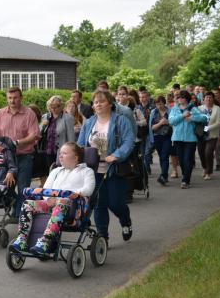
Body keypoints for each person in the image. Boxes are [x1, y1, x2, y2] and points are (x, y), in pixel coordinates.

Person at [10, 143, 95, 255]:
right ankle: (22, 238)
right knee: (28, 203)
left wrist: (73, 195)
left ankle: (45, 241)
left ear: (75, 157)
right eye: (60, 153)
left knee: (63, 201)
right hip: (51, 203)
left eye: (64, 153)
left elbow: (89, 189)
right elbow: (46, 189)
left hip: (72, 208)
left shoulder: (86, 171)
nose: (60, 156)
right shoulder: (56, 171)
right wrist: (49, 198)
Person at [78, 90, 135, 242]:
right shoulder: (89, 122)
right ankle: (102, 237)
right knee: (98, 203)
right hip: (93, 170)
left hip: (113, 169)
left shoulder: (121, 121)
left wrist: (116, 155)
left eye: (101, 101)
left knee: (115, 203)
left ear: (110, 103)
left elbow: (129, 141)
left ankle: (125, 220)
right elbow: (81, 144)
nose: (98, 104)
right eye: (95, 102)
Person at [0, 87, 40, 217]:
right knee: (6, 188)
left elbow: (34, 135)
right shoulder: (0, 113)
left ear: (21, 98)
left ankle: (19, 219)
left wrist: (17, 142)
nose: (12, 101)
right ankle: (16, 204)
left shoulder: (29, 114)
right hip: (5, 158)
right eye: (10, 98)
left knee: (23, 189)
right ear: (7, 98)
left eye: (15, 98)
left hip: (24, 156)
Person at [168, 90, 207, 189]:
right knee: (181, 161)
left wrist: (192, 118)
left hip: (191, 138)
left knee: (188, 159)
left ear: (187, 98)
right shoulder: (174, 109)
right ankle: (186, 176)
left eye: (182, 97)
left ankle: (185, 180)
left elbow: (204, 118)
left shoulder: (192, 108)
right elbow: (171, 121)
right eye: (179, 97)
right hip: (177, 138)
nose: (180, 99)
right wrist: (183, 116)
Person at [39, 96, 76, 184]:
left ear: (62, 106)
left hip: (61, 150)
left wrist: (72, 151)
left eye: (57, 106)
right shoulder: (45, 117)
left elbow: (71, 137)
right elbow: (39, 133)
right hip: (47, 150)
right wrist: (43, 125)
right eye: (52, 106)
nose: (54, 108)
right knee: (51, 174)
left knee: (62, 173)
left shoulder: (68, 118)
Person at [197, 91, 220, 180]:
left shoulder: (217, 108)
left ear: (213, 99)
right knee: (201, 153)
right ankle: (204, 168)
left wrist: (208, 128)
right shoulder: (199, 108)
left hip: (212, 135)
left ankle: (208, 172)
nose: (208, 99)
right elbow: (196, 120)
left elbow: (219, 122)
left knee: (208, 153)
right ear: (203, 99)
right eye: (206, 97)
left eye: (210, 97)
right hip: (200, 135)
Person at [148, 95, 172, 185]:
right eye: (157, 104)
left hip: (168, 137)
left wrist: (168, 122)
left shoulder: (170, 111)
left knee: (164, 156)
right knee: (161, 156)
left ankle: (163, 175)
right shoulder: (153, 112)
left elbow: (174, 123)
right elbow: (152, 127)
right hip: (157, 136)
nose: (159, 106)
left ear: (164, 103)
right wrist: (161, 123)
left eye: (161, 104)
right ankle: (164, 176)